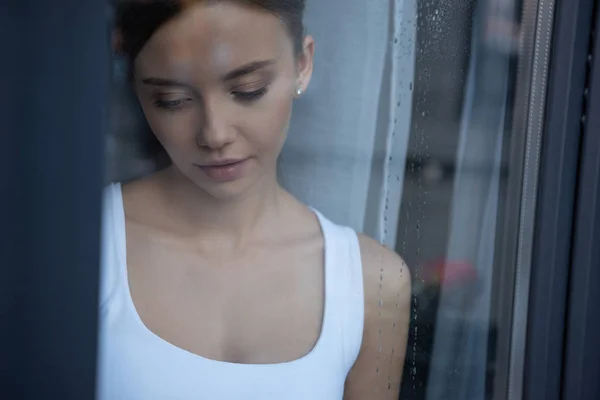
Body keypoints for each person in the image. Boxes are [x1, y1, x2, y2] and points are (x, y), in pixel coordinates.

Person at [97, 1, 411, 399]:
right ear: (136, 88)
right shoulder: (81, 245)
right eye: (173, 100)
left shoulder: (372, 284)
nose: (214, 133)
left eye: (249, 92)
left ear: (303, 65)